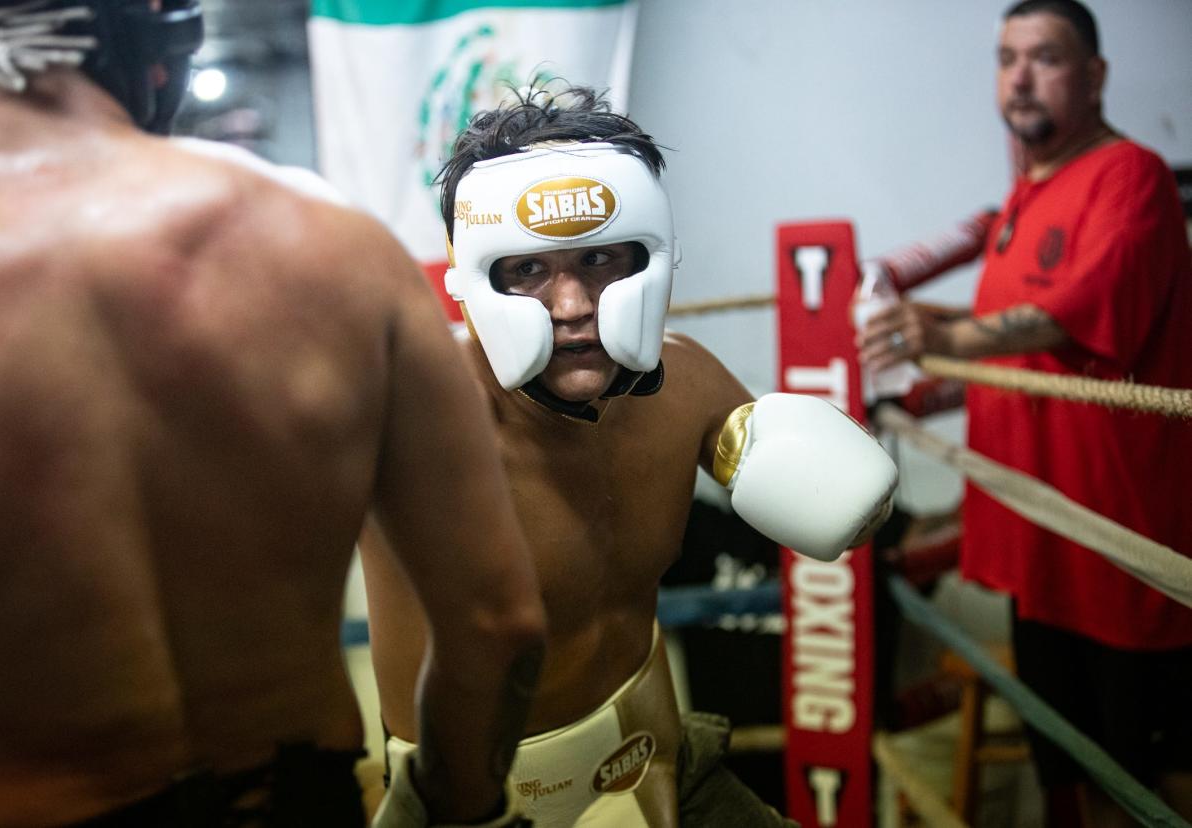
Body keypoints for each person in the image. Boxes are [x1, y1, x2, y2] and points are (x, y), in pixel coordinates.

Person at [0, 2, 546, 826]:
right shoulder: (335, 248)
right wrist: (458, 805)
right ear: (160, 48)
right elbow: (498, 623)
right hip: (296, 800)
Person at [359, 85, 898, 828]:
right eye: (529, 270)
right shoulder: (407, 417)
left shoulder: (690, 384)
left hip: (658, 768)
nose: (574, 304)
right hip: (466, 808)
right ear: (472, 278)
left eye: (601, 259)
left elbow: (832, 498)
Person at [858, 1, 1192, 824]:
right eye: (1007, 57)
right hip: (1040, 546)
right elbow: (1022, 320)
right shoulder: (1024, 195)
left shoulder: (1130, 174)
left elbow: (1076, 306)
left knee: (1144, 788)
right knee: (1067, 781)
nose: (1019, 75)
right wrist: (908, 328)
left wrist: (949, 333)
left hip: (1115, 547)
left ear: (1095, 75)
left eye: (1044, 56)